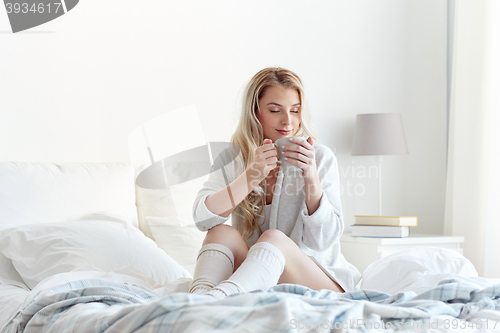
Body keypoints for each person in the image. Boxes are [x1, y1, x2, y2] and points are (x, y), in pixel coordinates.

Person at [189, 67, 361, 298]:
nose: (288, 121)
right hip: (261, 278)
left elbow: (322, 241)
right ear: (255, 112)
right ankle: (198, 300)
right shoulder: (232, 159)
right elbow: (203, 219)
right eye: (275, 110)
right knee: (221, 232)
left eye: (295, 110)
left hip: (319, 279)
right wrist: (252, 175)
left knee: (273, 238)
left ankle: (218, 297)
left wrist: (310, 175)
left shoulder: (319, 157)